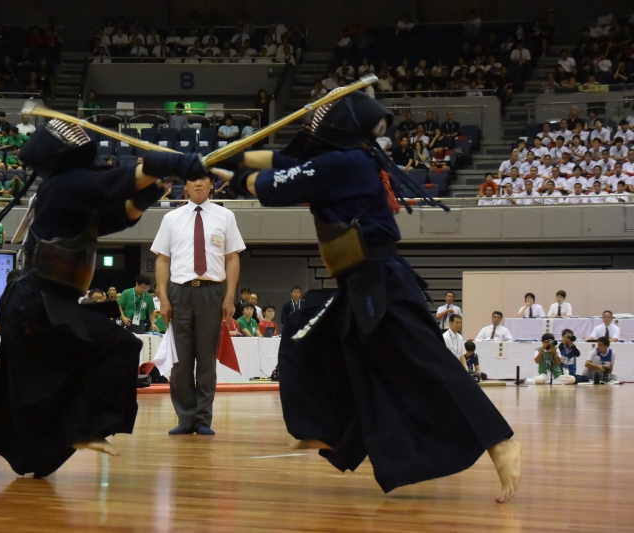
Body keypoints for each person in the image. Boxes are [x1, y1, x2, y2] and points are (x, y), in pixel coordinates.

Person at [207, 91, 520, 502]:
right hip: (360, 284)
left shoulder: (346, 162)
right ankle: (325, 431)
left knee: (428, 365)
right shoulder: (345, 160)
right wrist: (235, 158)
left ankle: (501, 443)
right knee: (304, 334)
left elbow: (269, 184)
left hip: (381, 283)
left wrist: (227, 168)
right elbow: (283, 163)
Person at [0, 119, 179, 476]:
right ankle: (84, 427)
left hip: (35, 302)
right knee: (119, 346)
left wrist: (153, 190)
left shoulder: (75, 200)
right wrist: (162, 165)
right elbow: (112, 184)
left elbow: (122, 214)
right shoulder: (62, 187)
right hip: (35, 302)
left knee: (10, 380)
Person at [151, 161, 246, 436]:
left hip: (212, 293)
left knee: (206, 360)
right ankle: (185, 418)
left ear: (211, 184)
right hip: (179, 292)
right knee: (180, 361)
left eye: (204, 179)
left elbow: (232, 258)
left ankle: (203, 419)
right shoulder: (171, 218)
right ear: (186, 186)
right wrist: (163, 297)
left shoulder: (225, 216)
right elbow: (162, 259)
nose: (199, 184)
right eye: (193, 180)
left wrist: (230, 296)